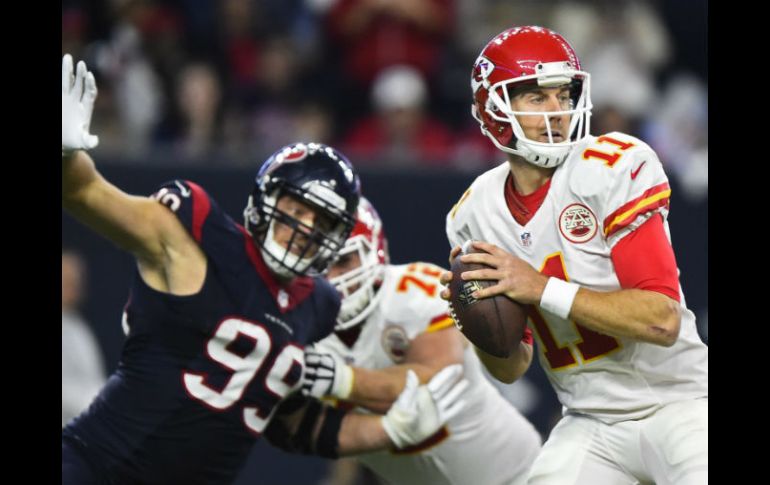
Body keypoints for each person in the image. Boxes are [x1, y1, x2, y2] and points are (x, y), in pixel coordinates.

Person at [61, 53, 467, 485]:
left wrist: (391, 430)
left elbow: (294, 427)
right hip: (95, 466)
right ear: (265, 201)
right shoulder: (196, 233)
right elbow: (88, 194)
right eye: (298, 208)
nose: (305, 229)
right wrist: (66, 158)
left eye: (324, 222)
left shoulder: (319, 306)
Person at [441, 26, 708, 485]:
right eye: (537, 99)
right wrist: (478, 322)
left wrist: (540, 287)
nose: (558, 111)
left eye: (563, 95)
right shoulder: (474, 213)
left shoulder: (613, 166)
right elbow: (512, 368)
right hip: (589, 422)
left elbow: (661, 320)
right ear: (495, 110)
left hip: (679, 404)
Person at [301, 197, 542, 485]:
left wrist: (341, 381)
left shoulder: (412, 290)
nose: (332, 278)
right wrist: (387, 429)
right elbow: (307, 433)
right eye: (319, 263)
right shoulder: (295, 326)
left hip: (518, 476)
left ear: (375, 251)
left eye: (342, 261)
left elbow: (438, 375)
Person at [62, 250, 107, 428]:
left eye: (75, 280)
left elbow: (94, 378)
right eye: (66, 280)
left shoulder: (78, 327)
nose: (73, 286)